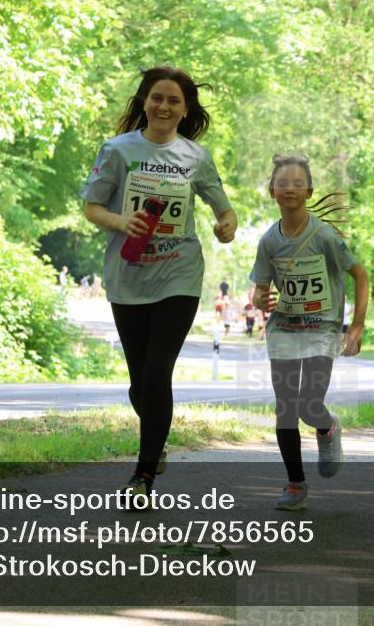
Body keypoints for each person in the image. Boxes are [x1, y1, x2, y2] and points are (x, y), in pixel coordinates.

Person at [81, 65, 237, 505]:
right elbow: (92, 207)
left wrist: (226, 224)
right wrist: (119, 220)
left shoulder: (196, 157)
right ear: (143, 102)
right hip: (128, 274)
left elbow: (224, 209)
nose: (164, 106)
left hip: (179, 273)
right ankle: (157, 441)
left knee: (156, 372)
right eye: (157, 98)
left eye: (174, 101)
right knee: (138, 383)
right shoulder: (117, 150)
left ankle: (143, 475)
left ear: (185, 111)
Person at [250, 154, 369, 511]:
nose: (289, 189)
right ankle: (295, 484)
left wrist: (357, 325)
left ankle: (327, 426)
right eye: (282, 183)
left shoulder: (324, 236)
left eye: (297, 183)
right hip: (284, 329)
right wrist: (261, 298)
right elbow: (259, 288)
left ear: (310, 191)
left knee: (309, 404)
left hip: (322, 329)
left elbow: (360, 276)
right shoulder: (269, 240)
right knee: (286, 407)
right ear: (272, 191)